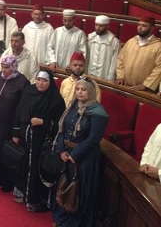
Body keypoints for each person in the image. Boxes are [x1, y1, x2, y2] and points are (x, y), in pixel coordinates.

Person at [52, 78, 109, 227]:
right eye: (77, 89)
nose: (79, 92)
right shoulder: (73, 105)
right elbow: (62, 129)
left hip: (86, 158)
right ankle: (63, 218)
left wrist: (74, 155)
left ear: (91, 92)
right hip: (68, 153)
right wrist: (61, 150)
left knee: (80, 191)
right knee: (66, 186)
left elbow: (93, 139)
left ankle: (75, 223)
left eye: (83, 90)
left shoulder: (98, 112)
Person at [12, 70, 65, 212]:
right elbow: (19, 112)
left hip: (42, 142)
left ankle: (34, 199)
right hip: (26, 138)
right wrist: (16, 132)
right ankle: (23, 194)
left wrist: (43, 122)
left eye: (45, 80)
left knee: (36, 168)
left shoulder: (56, 99)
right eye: (39, 79)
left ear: (50, 82)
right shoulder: (29, 92)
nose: (40, 83)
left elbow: (60, 124)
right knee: (24, 164)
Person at [0, 55, 29, 192]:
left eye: (7, 67)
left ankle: (5, 180)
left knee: (6, 152)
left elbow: (22, 108)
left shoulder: (22, 82)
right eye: (2, 67)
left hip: (9, 125)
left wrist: (16, 129)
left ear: (14, 67)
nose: (4, 70)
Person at [115, 16, 161, 93]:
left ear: (152, 28)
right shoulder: (131, 41)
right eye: (139, 25)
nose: (140, 27)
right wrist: (120, 76)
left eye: (144, 26)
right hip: (125, 85)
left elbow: (159, 68)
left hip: (144, 90)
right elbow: (120, 59)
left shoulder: (158, 46)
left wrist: (146, 85)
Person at [87, 15, 120, 81]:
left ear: (107, 27)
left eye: (101, 26)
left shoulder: (114, 41)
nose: (97, 28)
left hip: (104, 76)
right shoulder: (91, 38)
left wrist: (110, 79)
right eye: (96, 25)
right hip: (90, 73)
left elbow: (114, 62)